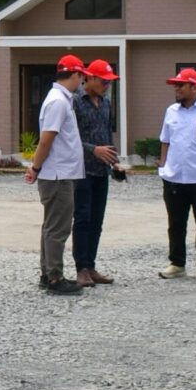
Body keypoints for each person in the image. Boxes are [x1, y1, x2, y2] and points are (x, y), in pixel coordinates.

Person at [25, 54, 88, 295]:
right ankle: (54, 277)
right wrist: (36, 167)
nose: (81, 81)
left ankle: (47, 273)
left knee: (51, 226)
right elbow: (46, 140)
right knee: (58, 228)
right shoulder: (58, 102)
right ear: (75, 75)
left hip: (59, 173)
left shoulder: (60, 99)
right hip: (58, 175)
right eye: (81, 76)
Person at [155, 69, 196, 280]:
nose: (176, 88)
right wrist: (163, 167)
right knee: (176, 223)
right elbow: (166, 140)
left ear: (194, 87)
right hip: (174, 177)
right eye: (175, 84)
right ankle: (177, 263)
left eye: (181, 85)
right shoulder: (171, 111)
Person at [71, 59, 123, 287]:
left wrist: (114, 162)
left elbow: (106, 136)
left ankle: (91, 266)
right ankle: (80, 268)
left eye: (109, 82)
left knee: (97, 221)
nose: (107, 85)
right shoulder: (74, 102)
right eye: (103, 81)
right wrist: (94, 150)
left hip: (101, 171)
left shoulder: (105, 103)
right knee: (82, 219)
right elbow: (69, 139)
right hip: (81, 170)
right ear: (89, 78)